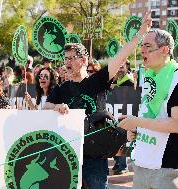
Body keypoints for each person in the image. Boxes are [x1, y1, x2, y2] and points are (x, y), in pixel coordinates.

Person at [42, 12, 152, 189]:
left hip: (95, 156)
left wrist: (140, 34)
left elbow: (121, 57)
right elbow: (45, 107)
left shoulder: (98, 80)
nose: (67, 62)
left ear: (84, 60)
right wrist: (56, 107)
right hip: (66, 154)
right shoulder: (60, 89)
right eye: (65, 59)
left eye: (71, 58)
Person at [118, 29, 178, 189]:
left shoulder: (176, 78)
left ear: (165, 50)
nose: (142, 50)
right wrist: (136, 130)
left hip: (166, 168)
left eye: (148, 46)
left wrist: (138, 122)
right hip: (142, 163)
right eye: (141, 46)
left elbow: (175, 124)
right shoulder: (148, 76)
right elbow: (150, 116)